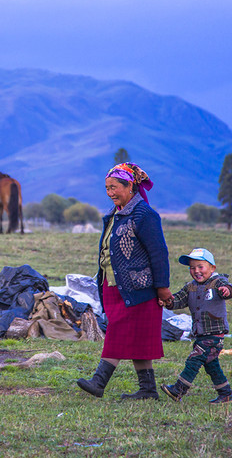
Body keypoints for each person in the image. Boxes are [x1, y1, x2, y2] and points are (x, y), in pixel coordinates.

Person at [76, 162, 171, 400]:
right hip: (113, 286)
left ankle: (99, 382)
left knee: (117, 331)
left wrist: (162, 288)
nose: (110, 193)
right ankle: (148, 390)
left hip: (138, 289)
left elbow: (159, 253)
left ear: (130, 186)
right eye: (107, 188)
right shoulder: (113, 215)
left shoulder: (145, 215)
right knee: (137, 338)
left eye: (114, 187)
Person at [160, 248, 232, 404]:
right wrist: (167, 301)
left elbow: (230, 288)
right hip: (200, 333)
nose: (196, 271)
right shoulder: (190, 287)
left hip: (214, 334)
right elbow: (177, 301)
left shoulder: (218, 282)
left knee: (194, 359)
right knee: (211, 365)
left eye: (200, 267)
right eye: (192, 267)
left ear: (212, 268)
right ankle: (226, 394)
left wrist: (226, 291)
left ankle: (178, 390)